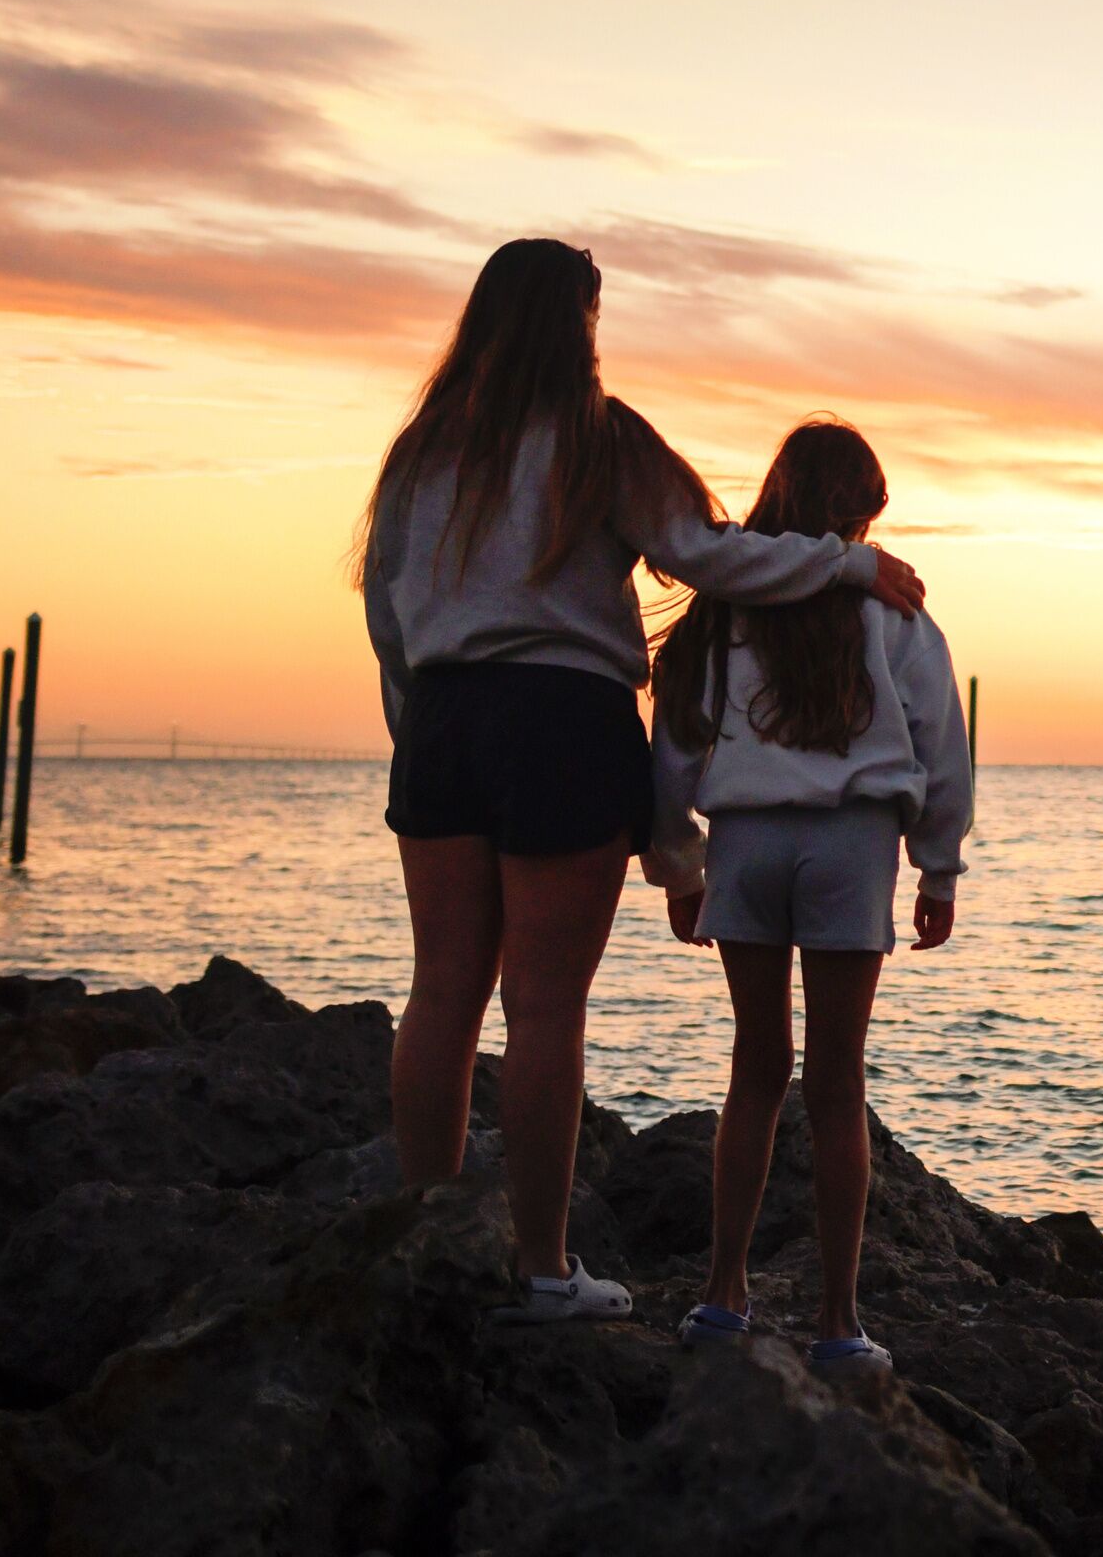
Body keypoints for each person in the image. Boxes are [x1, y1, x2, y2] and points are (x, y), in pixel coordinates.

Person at [359, 240, 925, 1323]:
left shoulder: (421, 453)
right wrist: (843, 561)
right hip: (563, 724)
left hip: (441, 720)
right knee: (544, 1005)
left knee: (443, 990)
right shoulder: (598, 438)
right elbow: (713, 555)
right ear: (577, 323)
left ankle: (422, 1240)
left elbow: (387, 615)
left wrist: (416, 727)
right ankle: (539, 1269)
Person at [643, 415, 972, 1369]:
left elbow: (677, 746)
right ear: (855, 518)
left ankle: (722, 1296)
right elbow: (940, 743)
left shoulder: (721, 610)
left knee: (755, 1068)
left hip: (746, 841)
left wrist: (677, 860)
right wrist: (938, 865)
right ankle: (837, 1322)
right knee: (835, 1084)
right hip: (851, 846)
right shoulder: (894, 612)